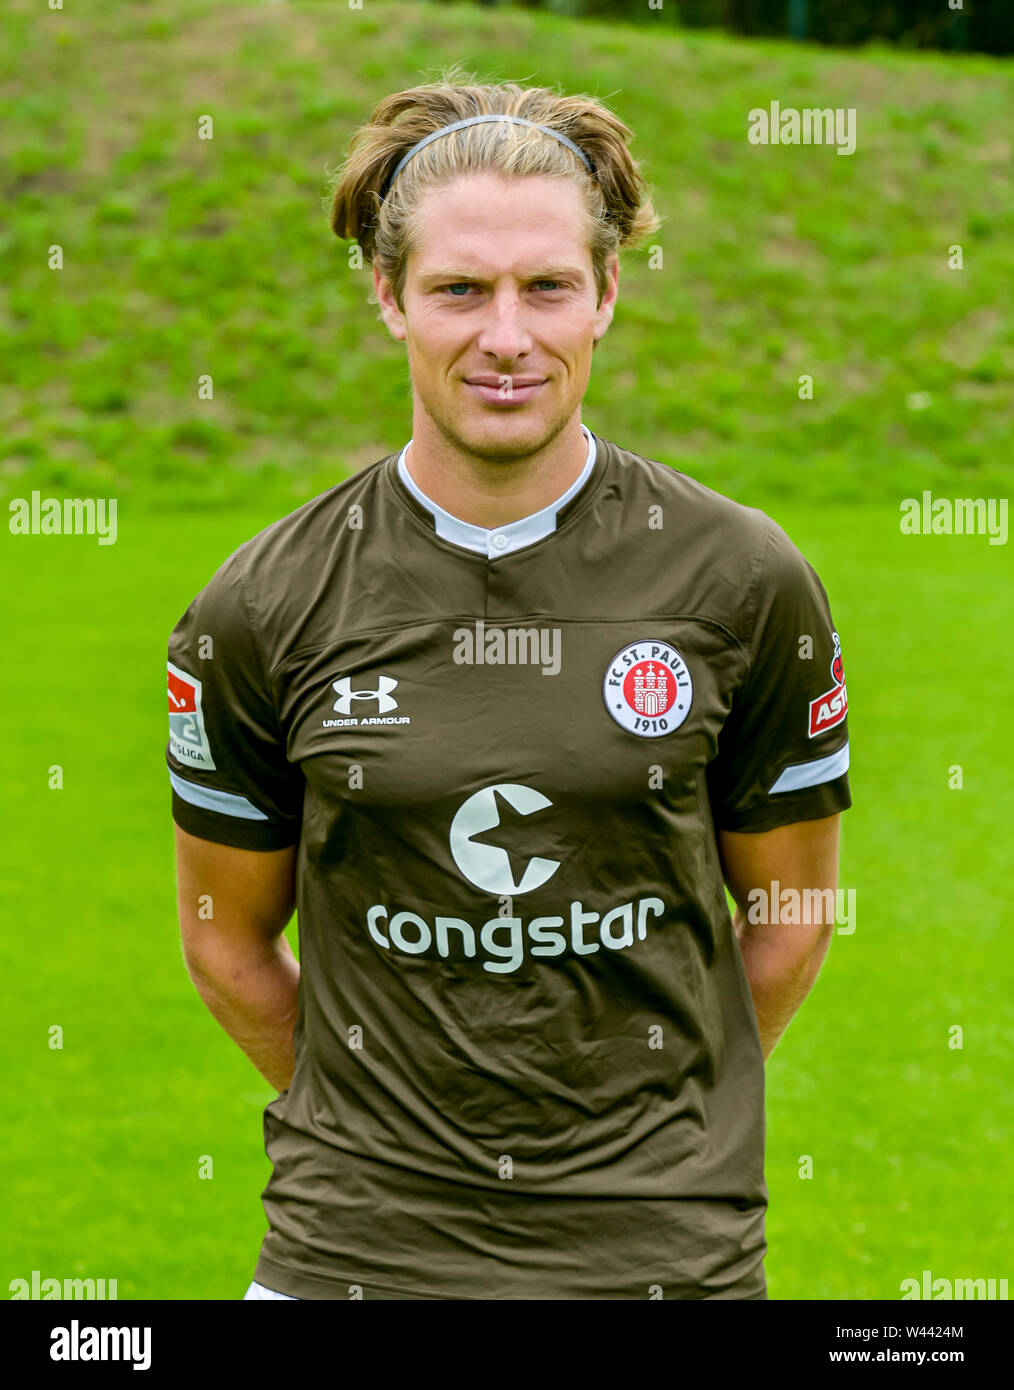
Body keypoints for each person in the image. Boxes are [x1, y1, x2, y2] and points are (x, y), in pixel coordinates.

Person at [167, 70, 851, 1301]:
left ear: (607, 294)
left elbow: (794, 915)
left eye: (546, 286)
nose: (506, 337)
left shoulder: (743, 578)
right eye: (458, 290)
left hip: (663, 1258)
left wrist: (658, 1121)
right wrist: (380, 1119)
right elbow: (224, 939)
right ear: (388, 296)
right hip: (353, 1256)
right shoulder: (260, 604)